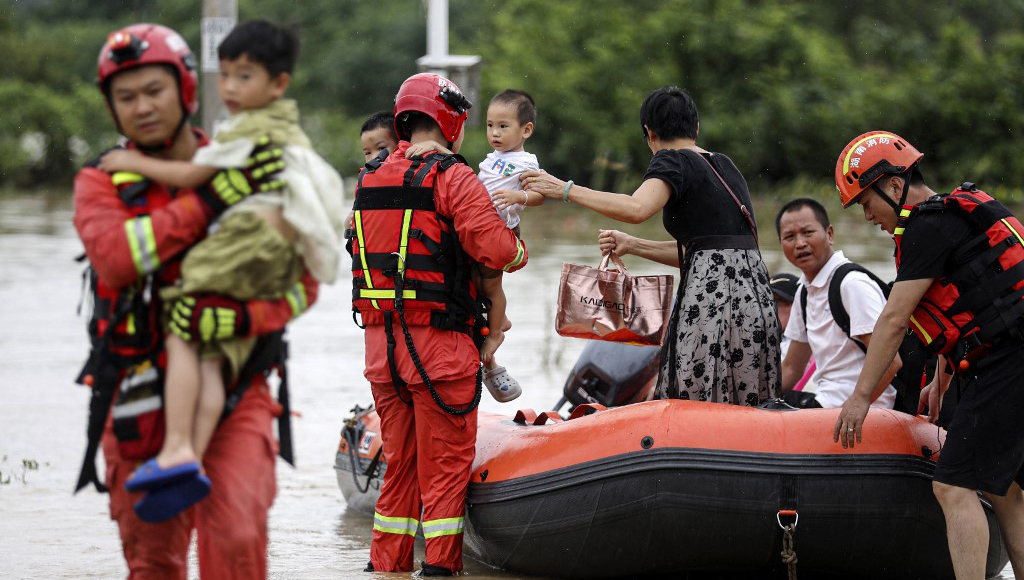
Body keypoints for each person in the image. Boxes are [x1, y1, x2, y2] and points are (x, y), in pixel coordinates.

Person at [73, 23, 318, 578]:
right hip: (137, 395)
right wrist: (210, 201)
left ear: (184, 89)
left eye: (154, 91)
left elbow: (301, 284)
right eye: (125, 97)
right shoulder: (101, 181)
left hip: (237, 387)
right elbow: (116, 258)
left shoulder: (247, 159)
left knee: (236, 539)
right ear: (110, 107)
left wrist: (240, 315)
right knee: (153, 561)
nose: (141, 108)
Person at [350, 73, 528, 575]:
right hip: (440, 350)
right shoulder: (452, 176)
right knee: (445, 469)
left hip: (382, 349)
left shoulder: (371, 175)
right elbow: (497, 250)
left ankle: (386, 566)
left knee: (399, 466)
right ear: (451, 120)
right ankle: (441, 570)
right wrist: (518, 250)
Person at [832, 131, 1024, 580]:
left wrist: (861, 398)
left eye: (866, 201)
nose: (867, 216)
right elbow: (965, 306)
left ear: (894, 186)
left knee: (952, 485)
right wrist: (940, 380)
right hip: (1004, 356)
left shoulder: (924, 226)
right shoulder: (950, 214)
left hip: (1009, 362)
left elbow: (894, 320)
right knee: (1007, 491)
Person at [528, 86, 779, 406]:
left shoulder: (671, 161)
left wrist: (564, 189)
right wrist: (632, 245)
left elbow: (636, 209)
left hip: (712, 300)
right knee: (746, 403)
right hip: (753, 295)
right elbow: (704, 254)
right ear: (696, 128)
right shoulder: (725, 165)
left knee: (695, 403)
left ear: (650, 133)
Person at [776, 198, 898, 409]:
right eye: (789, 236)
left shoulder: (852, 284)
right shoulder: (804, 292)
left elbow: (891, 362)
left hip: (865, 409)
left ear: (829, 234)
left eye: (807, 232)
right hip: (826, 401)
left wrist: (856, 406)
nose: (800, 243)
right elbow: (791, 368)